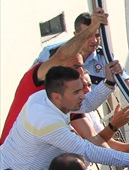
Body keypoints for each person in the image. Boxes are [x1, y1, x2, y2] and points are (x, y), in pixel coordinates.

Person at [0, 66, 129, 170]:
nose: (82, 95)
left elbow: (87, 104)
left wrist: (109, 81)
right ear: (56, 96)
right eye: (76, 92)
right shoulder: (46, 122)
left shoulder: (44, 97)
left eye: (81, 89)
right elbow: (88, 151)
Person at [3, 9, 113, 142]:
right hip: (14, 153)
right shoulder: (36, 77)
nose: (80, 73)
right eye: (75, 67)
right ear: (59, 65)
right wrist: (91, 28)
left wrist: (110, 82)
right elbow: (62, 56)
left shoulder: (64, 96)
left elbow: (93, 136)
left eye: (81, 67)